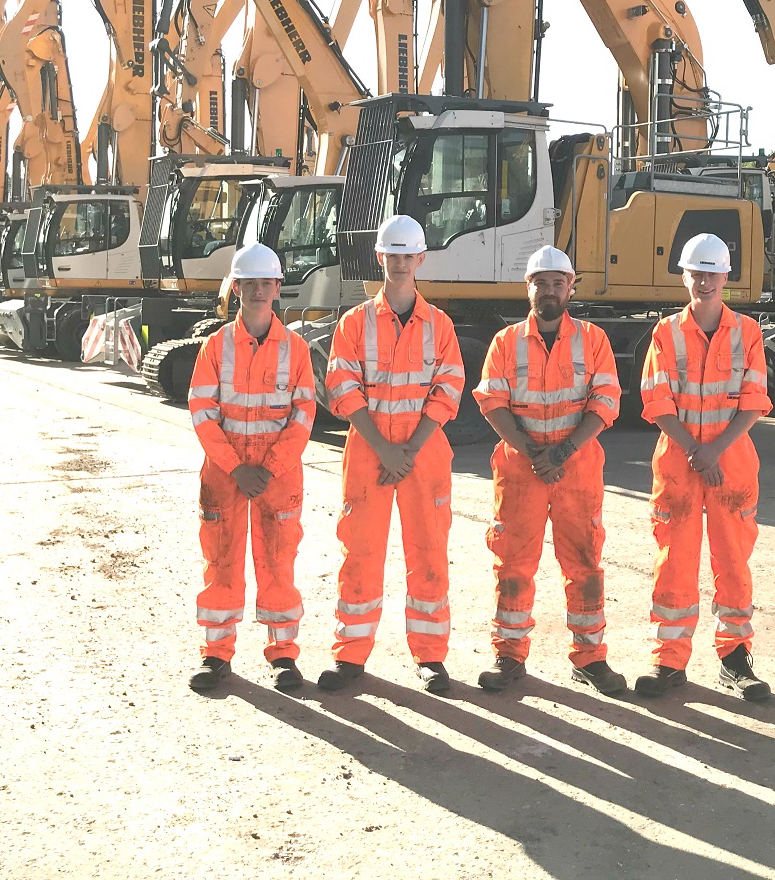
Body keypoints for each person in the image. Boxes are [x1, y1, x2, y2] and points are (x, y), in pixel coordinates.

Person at [318, 215, 464, 694]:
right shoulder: (354, 323)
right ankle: (351, 656)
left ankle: (430, 658)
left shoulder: (439, 325)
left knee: (428, 553)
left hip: (422, 454)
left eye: (408, 255)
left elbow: (448, 389)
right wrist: (385, 448)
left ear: (420, 259)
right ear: (379, 257)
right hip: (369, 451)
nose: (399, 263)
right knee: (359, 551)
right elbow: (342, 386)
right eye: (392, 254)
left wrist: (408, 450)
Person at [472, 245, 625, 695]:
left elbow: (606, 401)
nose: (550, 290)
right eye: (542, 282)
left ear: (571, 288)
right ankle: (509, 656)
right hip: (521, 474)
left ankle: (590, 658)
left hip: (576, 472)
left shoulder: (593, 340)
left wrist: (561, 453)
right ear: (529, 287)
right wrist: (532, 452)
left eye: (559, 282)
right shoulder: (505, 342)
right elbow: (492, 402)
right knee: (514, 565)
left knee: (584, 564)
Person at [635, 233, 774, 701]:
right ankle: (668, 661)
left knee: (733, 561)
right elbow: (656, 400)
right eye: (696, 272)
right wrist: (698, 450)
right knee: (673, 561)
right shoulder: (665, 333)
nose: (704, 281)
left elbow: (755, 401)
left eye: (712, 273)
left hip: (730, 459)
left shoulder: (748, 332)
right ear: (683, 276)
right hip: (680, 460)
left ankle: (735, 659)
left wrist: (714, 451)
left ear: (726, 277)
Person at [187, 242, 316, 695]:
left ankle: (283, 655)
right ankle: (216, 655)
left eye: (267, 283)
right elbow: (201, 409)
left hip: (277, 476)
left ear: (278, 287)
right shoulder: (215, 347)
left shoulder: (296, 349)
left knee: (278, 561)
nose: (259, 291)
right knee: (220, 562)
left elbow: (304, 413)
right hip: (226, 473)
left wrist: (271, 466)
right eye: (249, 283)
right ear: (236, 287)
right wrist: (236, 467)